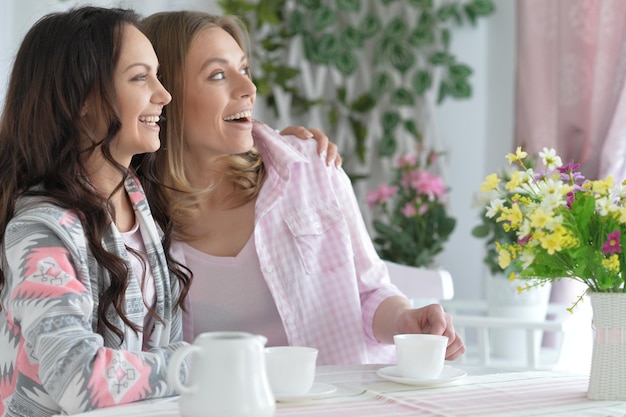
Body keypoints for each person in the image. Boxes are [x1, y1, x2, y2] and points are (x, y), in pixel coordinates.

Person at [137, 11, 465, 365]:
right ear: (162, 96)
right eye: (218, 75)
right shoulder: (133, 212)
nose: (249, 88)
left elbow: (370, 291)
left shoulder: (310, 167)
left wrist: (404, 321)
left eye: (244, 69)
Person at [0, 7, 192, 417]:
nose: (164, 94)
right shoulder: (39, 230)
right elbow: (77, 378)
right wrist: (194, 363)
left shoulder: (142, 206)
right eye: (141, 77)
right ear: (83, 99)